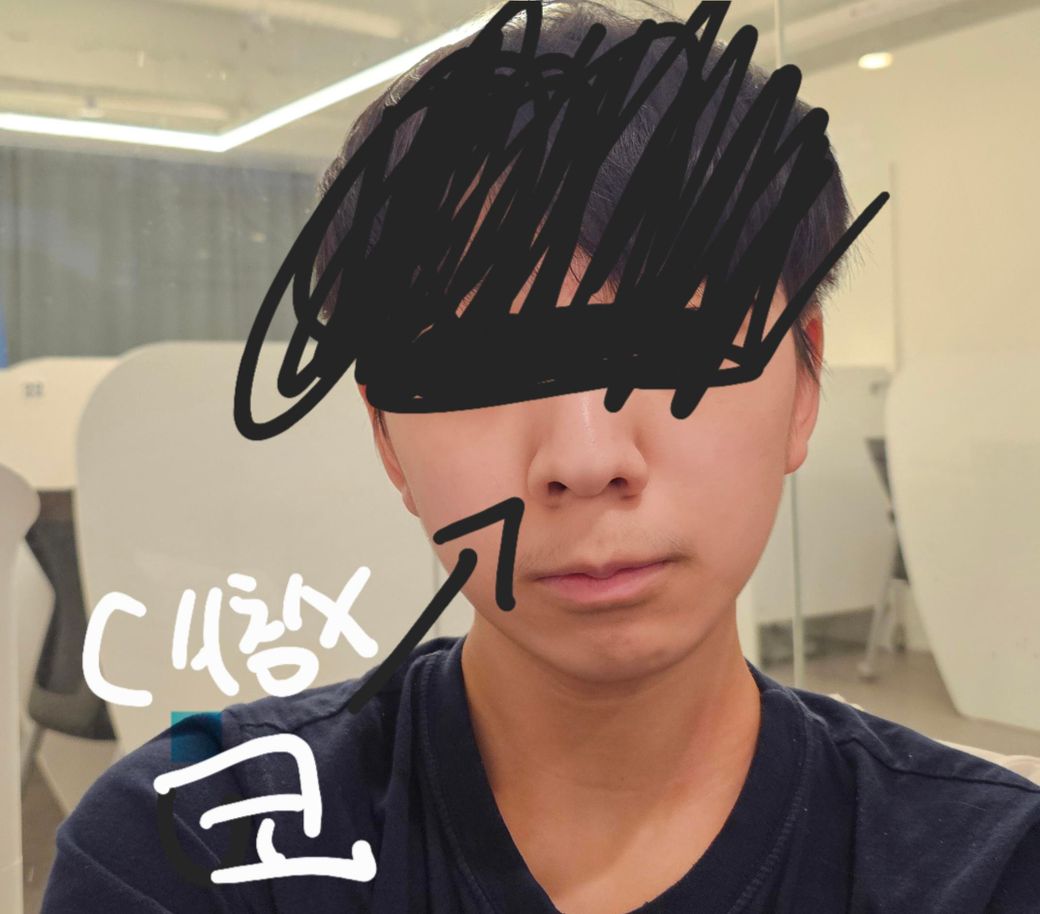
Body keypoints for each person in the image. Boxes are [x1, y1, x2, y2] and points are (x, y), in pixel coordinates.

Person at [42, 1, 1040, 912]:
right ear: (386, 435)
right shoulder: (189, 847)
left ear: (803, 384)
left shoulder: (987, 868)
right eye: (477, 365)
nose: (585, 455)